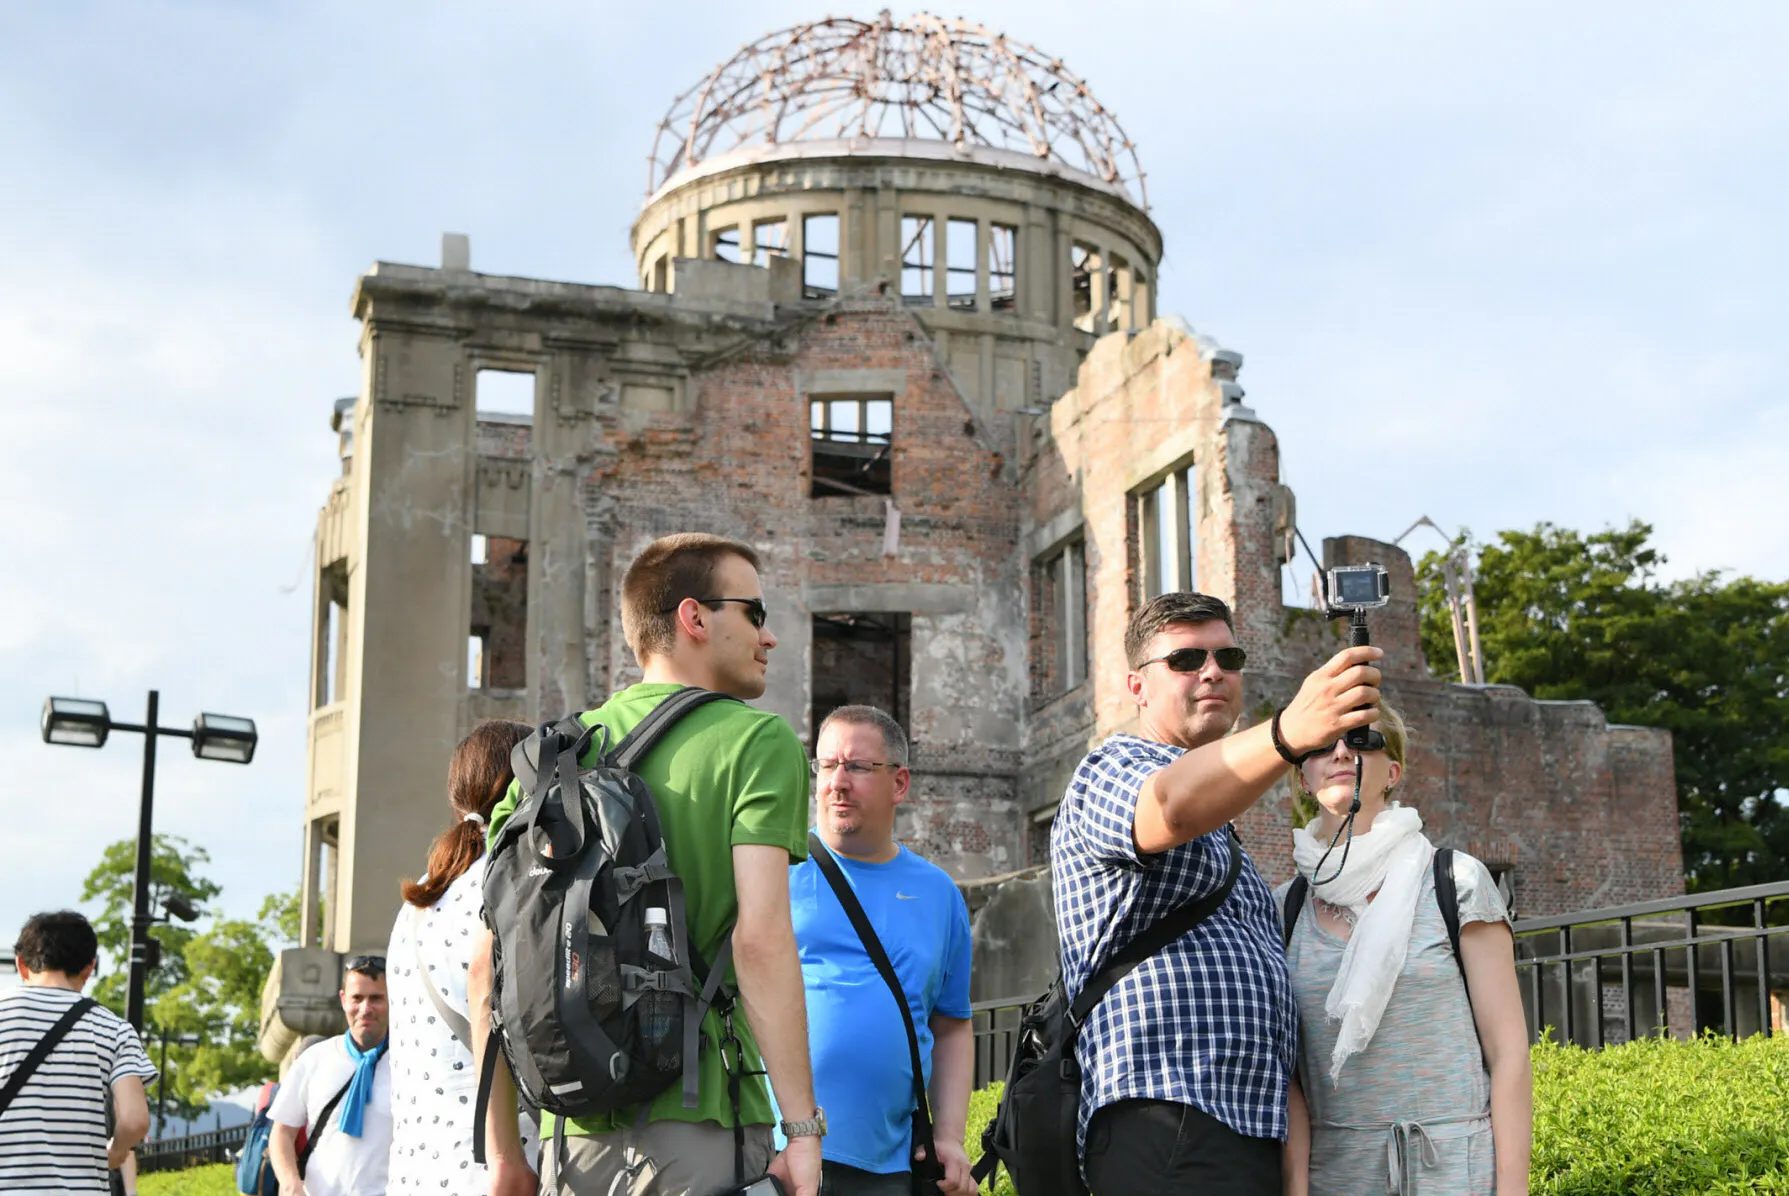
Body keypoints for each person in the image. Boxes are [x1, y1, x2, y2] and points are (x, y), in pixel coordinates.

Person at [470, 532, 822, 1196]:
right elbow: (760, 941)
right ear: (694, 617)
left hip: (567, 1137)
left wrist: (503, 1154)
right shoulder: (755, 741)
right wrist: (801, 1132)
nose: (768, 637)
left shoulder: (546, 763)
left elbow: (485, 973)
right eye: (756, 612)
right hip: (701, 1114)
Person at [1050, 591, 1383, 1196]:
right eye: (1184, 660)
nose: (1211, 671)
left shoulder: (1228, 832)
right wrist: (1287, 733)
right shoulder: (1108, 769)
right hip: (1167, 1116)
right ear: (1138, 686)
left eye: (1227, 656)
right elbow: (1170, 804)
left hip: (1242, 1129)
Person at [1279, 703, 1533, 1196]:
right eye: (1321, 744)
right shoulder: (1282, 909)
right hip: (1339, 1177)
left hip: (1456, 1171)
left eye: (1360, 740)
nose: (1339, 752)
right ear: (1303, 777)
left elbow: (1509, 1054)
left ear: (1392, 771)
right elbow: (1288, 1078)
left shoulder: (1454, 881)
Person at [787, 705, 976, 1196]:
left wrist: (951, 1138)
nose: (837, 782)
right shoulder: (775, 876)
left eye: (857, 766)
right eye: (826, 766)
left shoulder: (939, 894)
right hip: (781, 1153)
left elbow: (952, 1024)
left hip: (892, 1164)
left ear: (899, 783)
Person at [384, 719, 539, 1194]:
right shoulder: (509, 881)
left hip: (415, 1172)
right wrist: (504, 1157)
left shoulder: (415, 907)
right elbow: (485, 992)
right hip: (493, 1172)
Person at [0, 911, 157, 1194]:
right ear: (89, 967)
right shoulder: (115, 1029)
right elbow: (135, 1120)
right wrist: (116, 1150)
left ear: (21, 965)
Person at [269, 955, 393, 1196]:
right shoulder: (314, 1059)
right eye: (357, 998)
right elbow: (282, 1131)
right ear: (343, 1000)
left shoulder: (410, 1062)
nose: (365, 1008)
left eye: (376, 998)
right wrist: (289, 1181)